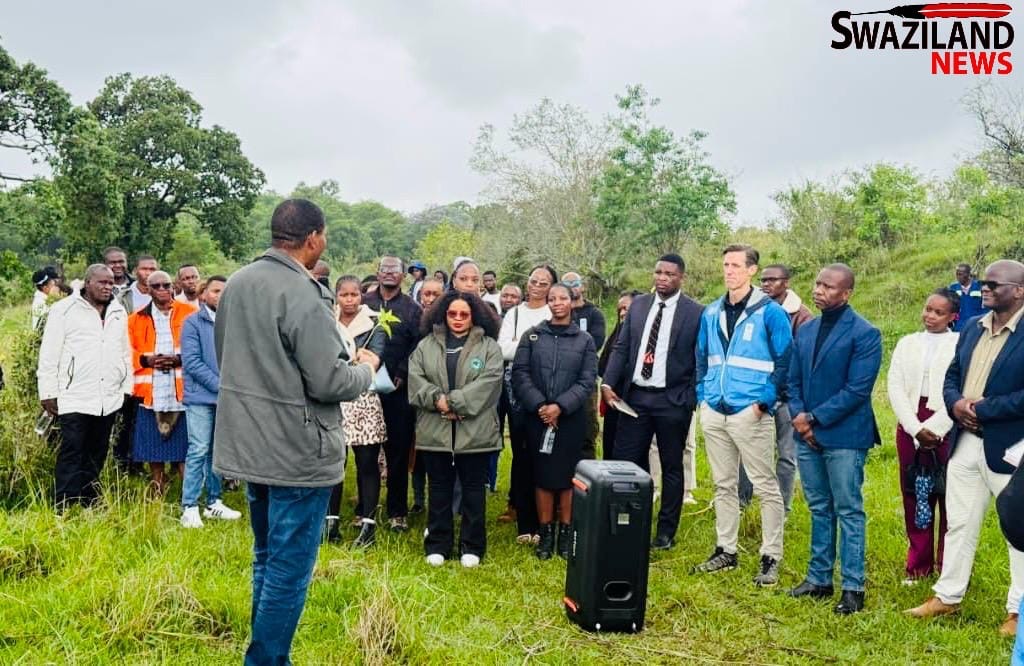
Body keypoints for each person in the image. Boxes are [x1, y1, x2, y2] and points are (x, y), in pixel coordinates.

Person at [212, 198, 378, 664]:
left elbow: (232, 360)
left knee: (266, 556)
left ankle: (265, 654)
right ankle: (266, 660)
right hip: (296, 451)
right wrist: (366, 367)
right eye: (323, 235)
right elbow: (330, 381)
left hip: (249, 444)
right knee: (289, 569)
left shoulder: (238, 284)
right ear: (313, 239)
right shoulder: (304, 293)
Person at [907, 260, 1024, 639]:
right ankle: (948, 595)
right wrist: (957, 404)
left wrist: (984, 409)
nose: (983, 289)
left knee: (1017, 530)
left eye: (993, 284)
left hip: (1010, 447)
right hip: (966, 441)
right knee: (959, 522)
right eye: (983, 283)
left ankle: (1017, 611)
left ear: (1019, 290)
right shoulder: (973, 328)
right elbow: (953, 375)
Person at [693, 245, 792, 585]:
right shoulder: (711, 312)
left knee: (765, 485)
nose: (729, 270)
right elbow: (702, 358)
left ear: (752, 270)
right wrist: (702, 397)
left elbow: (784, 362)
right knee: (723, 484)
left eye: (736, 265)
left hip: (750, 412)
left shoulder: (770, 313)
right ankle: (726, 549)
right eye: (725, 265)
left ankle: (770, 556)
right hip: (715, 410)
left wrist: (763, 403)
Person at [787, 263, 882, 616]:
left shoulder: (865, 333)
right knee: (819, 507)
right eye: (817, 284)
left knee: (848, 510)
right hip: (805, 434)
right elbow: (792, 379)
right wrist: (799, 417)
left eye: (829, 287)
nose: (819, 290)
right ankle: (819, 579)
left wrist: (814, 419)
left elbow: (857, 390)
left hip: (844, 435)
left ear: (847, 293)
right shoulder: (806, 330)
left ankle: (853, 587)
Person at [601, 254, 703, 551]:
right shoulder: (640, 306)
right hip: (636, 398)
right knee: (626, 462)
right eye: (658, 272)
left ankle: (665, 532)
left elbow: (701, 357)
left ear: (681, 277)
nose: (662, 278)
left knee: (672, 466)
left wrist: (690, 396)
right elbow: (622, 347)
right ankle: (629, 523)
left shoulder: (696, 312)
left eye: (669, 274)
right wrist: (608, 383)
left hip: (673, 400)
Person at [408, 291, 504, 568]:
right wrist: (438, 401)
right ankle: (438, 544)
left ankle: (472, 546)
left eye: (464, 314)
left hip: (476, 432)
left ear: (475, 315)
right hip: (434, 431)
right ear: (442, 314)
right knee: (438, 488)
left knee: (474, 490)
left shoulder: (489, 347)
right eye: (453, 314)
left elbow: (490, 382)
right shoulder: (426, 345)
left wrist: (454, 403)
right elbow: (416, 381)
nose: (458, 319)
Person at [512, 283, 598, 559]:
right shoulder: (533, 336)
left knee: (566, 477)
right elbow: (520, 373)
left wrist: (561, 406)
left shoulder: (584, 340)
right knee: (543, 476)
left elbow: (586, 381)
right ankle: (546, 532)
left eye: (563, 298)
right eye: (552, 298)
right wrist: (540, 405)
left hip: (570, 419)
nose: (558, 303)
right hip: (538, 417)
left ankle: (566, 531)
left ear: (572, 302)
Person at [37, 264, 131, 510]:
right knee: (72, 449)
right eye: (101, 282)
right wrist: (47, 392)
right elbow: (49, 353)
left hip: (108, 395)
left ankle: (89, 498)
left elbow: (124, 352)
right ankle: (64, 504)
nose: (107, 287)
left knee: (98, 450)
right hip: (74, 394)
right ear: (88, 283)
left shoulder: (118, 311)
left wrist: (126, 386)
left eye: (111, 283)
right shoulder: (64, 310)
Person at [886, 288, 959, 582]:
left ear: (953, 316)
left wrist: (938, 428)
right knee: (915, 493)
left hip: (949, 423)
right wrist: (915, 428)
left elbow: (962, 388)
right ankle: (918, 565)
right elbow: (894, 385)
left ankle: (948, 566)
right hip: (911, 422)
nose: (930, 316)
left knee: (950, 495)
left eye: (938, 312)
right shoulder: (907, 343)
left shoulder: (960, 344)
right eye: (928, 309)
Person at [737, 263, 813, 513]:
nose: (766, 284)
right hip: (755, 393)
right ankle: (742, 502)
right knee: (747, 450)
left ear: (786, 282)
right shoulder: (753, 310)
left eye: (773, 279)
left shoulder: (802, 316)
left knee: (786, 454)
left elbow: (801, 359)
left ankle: (782, 507)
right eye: (763, 280)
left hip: (786, 395)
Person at [324, 275, 388, 547]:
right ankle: (330, 524)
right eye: (344, 295)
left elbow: (372, 359)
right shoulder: (326, 321)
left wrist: (351, 360)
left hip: (363, 397)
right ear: (336, 296)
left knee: (367, 464)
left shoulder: (375, 323)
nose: (350, 300)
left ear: (361, 296)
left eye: (354, 295)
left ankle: (368, 527)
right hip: (335, 398)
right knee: (335, 463)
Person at [363, 256, 423, 533]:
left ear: (403, 276)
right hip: (363, 387)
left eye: (395, 271)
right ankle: (365, 509)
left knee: (398, 451)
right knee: (366, 451)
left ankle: (397, 511)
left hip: (398, 389)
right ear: (377, 273)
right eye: (384, 270)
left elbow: (418, 345)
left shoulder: (412, 308)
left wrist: (402, 371)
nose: (389, 274)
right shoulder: (365, 303)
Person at [497, 265, 556, 542]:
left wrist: (522, 345)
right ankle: (522, 515)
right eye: (533, 281)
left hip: (549, 389)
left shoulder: (553, 312)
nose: (537, 286)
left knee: (543, 452)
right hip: (516, 387)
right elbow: (501, 349)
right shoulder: (515, 312)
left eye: (544, 283)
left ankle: (546, 515)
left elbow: (554, 352)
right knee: (520, 452)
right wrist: (532, 345)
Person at [127, 270, 198, 495]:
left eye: (166, 285)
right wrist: (145, 360)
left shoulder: (190, 314)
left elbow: (202, 347)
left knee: (185, 444)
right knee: (151, 443)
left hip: (182, 392)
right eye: (155, 286)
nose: (162, 290)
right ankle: (158, 484)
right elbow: (125, 351)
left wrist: (180, 359)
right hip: (152, 392)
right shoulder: (135, 319)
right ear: (147, 290)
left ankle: (189, 491)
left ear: (173, 287)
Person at [180, 275, 241, 528]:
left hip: (225, 398)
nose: (220, 296)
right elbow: (192, 362)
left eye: (225, 292)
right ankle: (189, 506)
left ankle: (214, 502)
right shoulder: (193, 322)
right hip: (200, 397)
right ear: (204, 294)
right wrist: (221, 385)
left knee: (218, 451)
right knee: (198, 448)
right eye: (216, 291)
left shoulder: (234, 323)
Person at [563, 271, 606, 461]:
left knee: (587, 428)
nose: (572, 286)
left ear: (583, 286)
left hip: (586, 377)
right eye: (567, 283)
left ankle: (588, 477)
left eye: (575, 282)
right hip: (561, 377)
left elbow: (595, 343)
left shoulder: (594, 313)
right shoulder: (558, 312)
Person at [599, 291, 639, 461]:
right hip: (614, 402)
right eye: (620, 309)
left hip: (636, 402)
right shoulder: (616, 335)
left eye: (626, 308)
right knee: (610, 449)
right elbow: (602, 367)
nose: (622, 313)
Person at [950, 263, 988, 332]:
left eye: (960, 274)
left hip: (976, 327)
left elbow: (986, 307)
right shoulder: (953, 288)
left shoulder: (980, 287)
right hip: (958, 327)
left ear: (968, 274)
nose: (958, 277)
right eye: (957, 274)